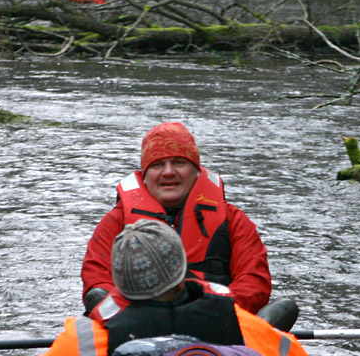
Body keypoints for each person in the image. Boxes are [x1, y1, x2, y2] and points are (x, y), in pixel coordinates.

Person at [17, 219, 311, 356]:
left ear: (119, 282)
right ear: (182, 272)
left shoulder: (84, 339)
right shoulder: (238, 323)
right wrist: (273, 334)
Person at [81, 121, 296, 329]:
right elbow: (97, 280)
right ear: (144, 176)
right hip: (136, 323)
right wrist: (146, 314)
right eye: (157, 165)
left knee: (286, 308)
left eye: (179, 163)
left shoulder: (234, 220)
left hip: (215, 320)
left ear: (197, 171)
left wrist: (204, 309)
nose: (168, 172)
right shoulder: (115, 222)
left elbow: (254, 282)